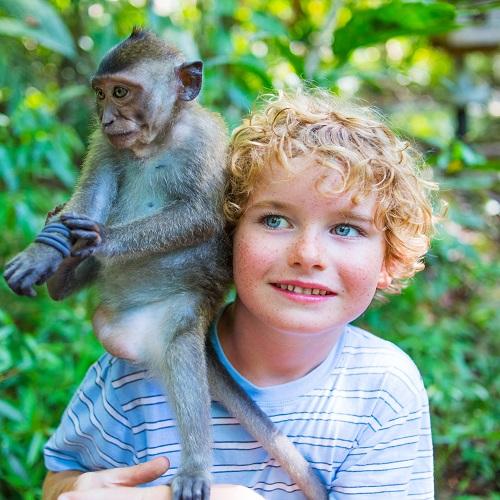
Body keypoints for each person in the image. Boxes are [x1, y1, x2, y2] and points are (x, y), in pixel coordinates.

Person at [43, 89, 436, 499]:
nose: (307, 255)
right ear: (225, 236)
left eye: (345, 229)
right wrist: (74, 490)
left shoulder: (381, 391)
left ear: (388, 261)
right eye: (275, 220)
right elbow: (60, 480)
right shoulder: (136, 372)